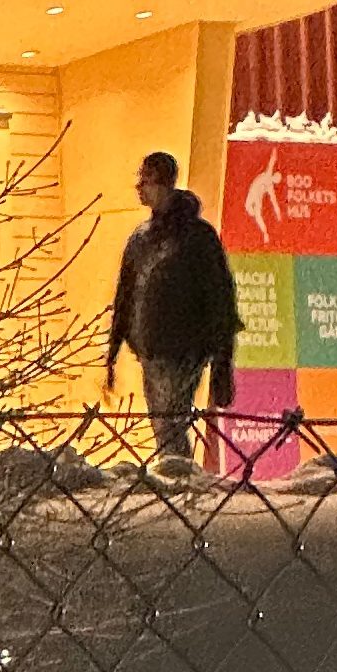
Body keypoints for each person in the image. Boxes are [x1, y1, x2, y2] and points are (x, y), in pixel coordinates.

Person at [103, 150, 243, 472]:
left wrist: (222, 359)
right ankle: (177, 477)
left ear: (164, 183)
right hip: (151, 349)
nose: (139, 187)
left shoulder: (196, 237)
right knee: (164, 423)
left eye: (146, 179)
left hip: (184, 348)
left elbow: (219, 298)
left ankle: (179, 480)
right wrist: (113, 350)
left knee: (170, 422)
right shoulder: (141, 239)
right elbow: (126, 295)